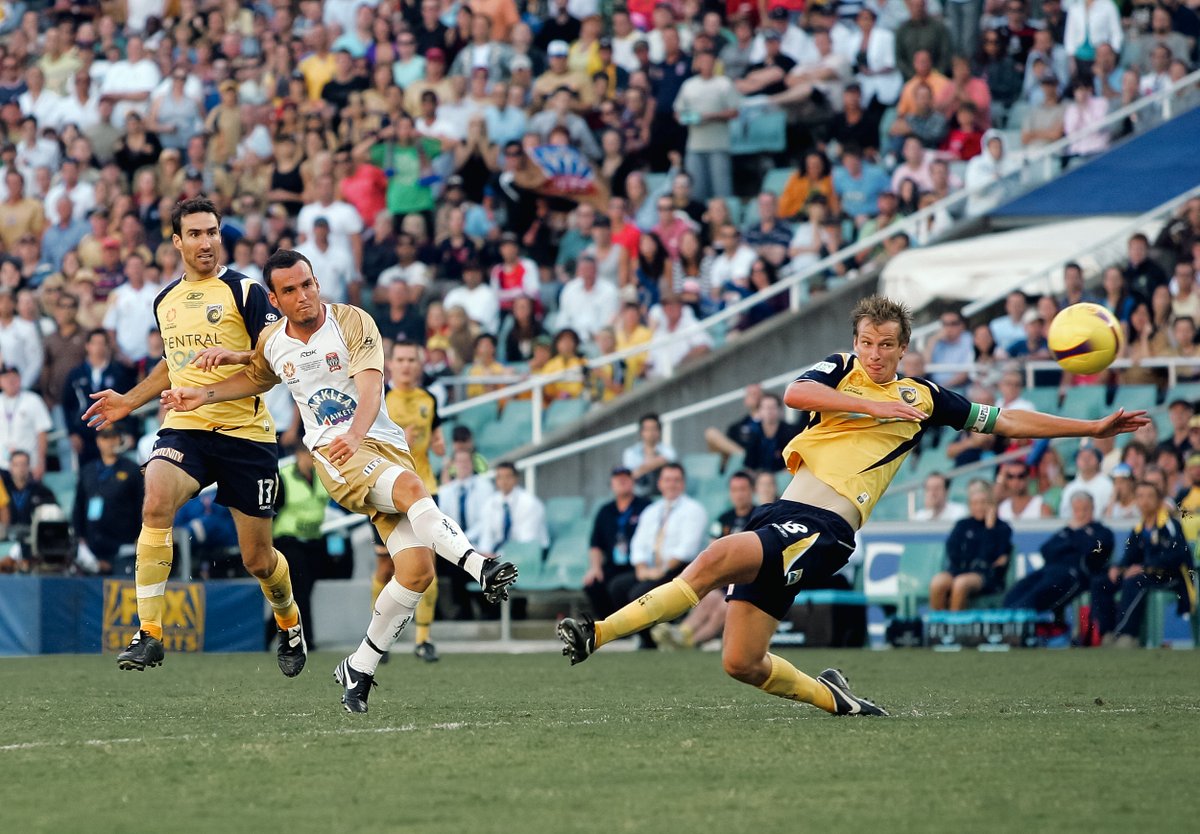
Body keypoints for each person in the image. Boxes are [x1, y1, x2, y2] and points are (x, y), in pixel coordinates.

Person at [557, 295, 1147, 715]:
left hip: (826, 525)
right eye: (866, 343)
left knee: (716, 556)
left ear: (903, 349)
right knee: (740, 662)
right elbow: (794, 393)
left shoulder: (925, 396)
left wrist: (1090, 428)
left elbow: (1005, 420)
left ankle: (598, 635)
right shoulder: (840, 372)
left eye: (886, 346)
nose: (874, 354)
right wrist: (874, 408)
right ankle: (835, 698)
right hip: (781, 515)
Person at [161, 250, 517, 713]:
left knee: (417, 573)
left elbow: (370, 389)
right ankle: (478, 566)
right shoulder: (272, 339)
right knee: (413, 489)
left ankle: (360, 667)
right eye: (290, 290)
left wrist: (355, 432)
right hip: (336, 456)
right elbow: (255, 375)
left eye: (308, 283)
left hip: (377, 445)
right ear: (275, 298)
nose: (304, 295)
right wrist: (201, 394)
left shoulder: (352, 321)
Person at [82, 198, 306, 676]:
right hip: (186, 425)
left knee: (259, 559)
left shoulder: (246, 291)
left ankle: (289, 622)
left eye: (213, 232)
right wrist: (128, 400)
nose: (206, 242)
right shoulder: (165, 300)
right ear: (177, 241)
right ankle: (150, 633)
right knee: (156, 499)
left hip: (247, 435)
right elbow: (172, 364)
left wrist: (227, 365)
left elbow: (271, 369)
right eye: (196, 234)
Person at [384, 340, 446, 663]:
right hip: (388, 490)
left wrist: (438, 443)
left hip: (424, 489)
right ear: (390, 364)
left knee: (427, 565)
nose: (406, 365)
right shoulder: (380, 398)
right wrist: (399, 443)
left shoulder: (429, 400)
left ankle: (423, 639)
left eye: (412, 359)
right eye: (401, 359)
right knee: (386, 566)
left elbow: (436, 434)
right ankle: (381, 639)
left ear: (419, 365)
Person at [653, 470, 758, 650]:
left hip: (749, 580)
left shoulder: (760, 516)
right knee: (710, 598)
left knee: (723, 608)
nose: (739, 494)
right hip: (727, 578)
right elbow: (714, 550)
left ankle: (690, 642)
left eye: (743, 489)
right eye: (735, 490)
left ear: (751, 491)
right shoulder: (724, 519)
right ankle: (683, 632)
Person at [608, 462, 707, 650]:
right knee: (617, 587)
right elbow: (638, 544)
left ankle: (656, 639)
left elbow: (687, 549)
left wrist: (660, 571)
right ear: (660, 483)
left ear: (683, 483)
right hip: (651, 568)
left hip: (681, 570)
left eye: (676, 480)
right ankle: (647, 638)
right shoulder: (652, 511)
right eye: (667, 480)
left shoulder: (694, 510)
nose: (671, 484)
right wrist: (641, 568)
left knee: (638, 593)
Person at [1091, 480, 1196, 648]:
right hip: (1146, 573)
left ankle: (1127, 635)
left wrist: (1145, 567)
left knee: (1134, 581)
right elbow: (1130, 555)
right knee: (1102, 582)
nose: (1144, 501)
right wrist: (1119, 568)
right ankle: (1107, 633)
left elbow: (1177, 556)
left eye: (1149, 496)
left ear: (1159, 500)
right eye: (1140, 496)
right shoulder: (1139, 528)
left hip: (1171, 576)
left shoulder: (1170, 525)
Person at [1006, 492, 1113, 619]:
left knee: (1036, 595)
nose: (1081, 514)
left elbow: (1092, 550)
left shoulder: (1102, 532)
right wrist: (1075, 535)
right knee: (1017, 590)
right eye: (1077, 510)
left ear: (1093, 509)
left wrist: (1074, 536)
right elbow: (1046, 550)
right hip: (1049, 570)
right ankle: (1006, 620)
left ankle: (1018, 624)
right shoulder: (1067, 530)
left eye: (1085, 509)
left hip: (1074, 574)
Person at [272, 445, 330, 652]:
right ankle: (308, 639)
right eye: (308, 455)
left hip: (314, 540)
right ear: (298, 455)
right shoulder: (285, 477)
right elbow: (272, 511)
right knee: (301, 591)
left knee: (302, 591)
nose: (312, 460)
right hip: (289, 540)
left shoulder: (322, 475)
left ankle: (270, 631)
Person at [929, 480, 1013, 611]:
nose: (979, 507)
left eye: (983, 503)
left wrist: (989, 529)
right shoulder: (962, 525)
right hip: (958, 571)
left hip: (987, 577)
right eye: (975, 503)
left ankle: (954, 625)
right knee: (938, 582)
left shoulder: (1002, 528)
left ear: (991, 504)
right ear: (970, 505)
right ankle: (939, 624)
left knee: (961, 583)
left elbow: (989, 557)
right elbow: (952, 551)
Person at [72, 425, 144, 576]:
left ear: (119, 439)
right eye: (105, 437)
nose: (110, 442)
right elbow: (79, 506)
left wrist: (141, 537)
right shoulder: (88, 470)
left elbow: (140, 506)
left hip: (123, 545)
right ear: (98, 441)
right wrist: (80, 538)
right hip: (93, 545)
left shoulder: (132, 470)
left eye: (114, 437)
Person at [584, 466, 651, 619]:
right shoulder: (605, 511)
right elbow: (596, 544)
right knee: (593, 583)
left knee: (621, 585)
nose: (622, 481)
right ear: (611, 484)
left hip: (637, 564)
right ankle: (607, 623)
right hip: (613, 564)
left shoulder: (645, 506)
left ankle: (628, 624)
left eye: (626, 478)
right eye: (618, 479)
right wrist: (595, 567)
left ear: (633, 482)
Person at [621, 413, 677, 497]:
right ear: (641, 432)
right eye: (647, 429)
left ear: (659, 431)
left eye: (654, 429)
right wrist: (656, 463)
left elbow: (670, 460)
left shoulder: (668, 449)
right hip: (637, 496)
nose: (651, 433)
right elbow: (630, 476)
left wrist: (641, 469)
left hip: (662, 494)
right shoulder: (630, 452)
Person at [1058, 446, 1114, 518]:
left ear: (1098, 461)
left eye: (1090, 456)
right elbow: (1064, 514)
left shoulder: (1107, 485)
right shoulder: (1070, 488)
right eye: (1081, 457)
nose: (1085, 460)